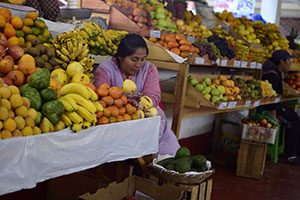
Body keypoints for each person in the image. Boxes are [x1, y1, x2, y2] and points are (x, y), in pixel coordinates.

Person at [93, 34, 180, 156]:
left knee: (165, 152)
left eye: (142, 59)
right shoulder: (105, 70)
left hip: (143, 116)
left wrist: (138, 105)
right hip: (116, 119)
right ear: (120, 57)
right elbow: (102, 98)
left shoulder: (149, 69)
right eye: (134, 59)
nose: (138, 64)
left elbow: (153, 97)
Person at [259, 49, 300, 164]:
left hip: (273, 107)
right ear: (281, 62)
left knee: (293, 115)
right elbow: (271, 99)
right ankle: (290, 155)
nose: (290, 63)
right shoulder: (272, 74)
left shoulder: (273, 70)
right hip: (267, 110)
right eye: (288, 61)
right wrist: (274, 115)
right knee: (294, 121)